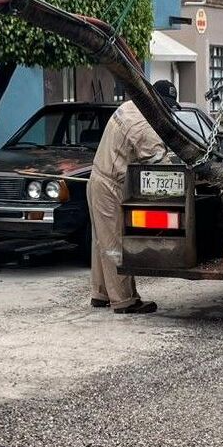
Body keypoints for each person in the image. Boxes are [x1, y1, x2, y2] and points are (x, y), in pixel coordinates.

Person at [87, 80, 180, 314]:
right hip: (111, 185)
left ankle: (101, 294)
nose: (166, 110)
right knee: (115, 244)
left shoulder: (131, 106)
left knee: (102, 241)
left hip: (98, 179)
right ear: (154, 100)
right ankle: (124, 300)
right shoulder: (143, 124)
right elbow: (160, 164)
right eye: (164, 105)